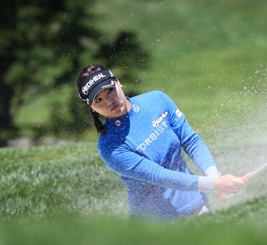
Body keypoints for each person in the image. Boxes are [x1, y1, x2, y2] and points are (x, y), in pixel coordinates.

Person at [76, 64, 244, 221]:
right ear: (91, 108)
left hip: (198, 206)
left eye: (110, 90)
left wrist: (214, 176)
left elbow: (190, 141)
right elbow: (159, 176)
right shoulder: (109, 146)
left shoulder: (157, 100)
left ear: (118, 83)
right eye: (98, 100)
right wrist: (214, 185)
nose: (108, 101)